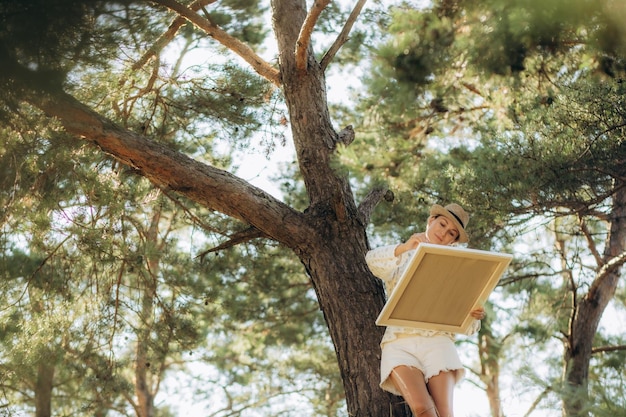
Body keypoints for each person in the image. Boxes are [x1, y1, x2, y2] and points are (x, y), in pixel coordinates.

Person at [365, 203, 485, 417]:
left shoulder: (455, 270)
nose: (443, 233)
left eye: (451, 233)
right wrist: (404, 247)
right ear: (431, 221)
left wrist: (474, 316)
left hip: (437, 341)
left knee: (445, 412)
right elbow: (371, 261)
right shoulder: (403, 254)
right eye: (442, 224)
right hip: (400, 341)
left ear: (453, 242)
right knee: (422, 409)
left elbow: (468, 327)